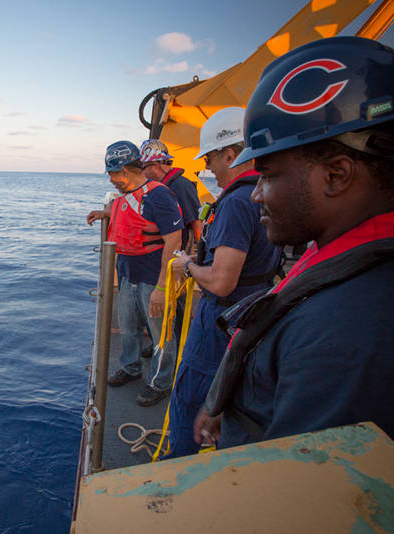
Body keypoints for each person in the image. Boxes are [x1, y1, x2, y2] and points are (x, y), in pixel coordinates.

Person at [194, 36, 394, 463]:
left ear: (337, 175)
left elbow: (303, 498)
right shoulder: (362, 257)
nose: (256, 195)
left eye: (267, 175)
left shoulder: (355, 340)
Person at [162, 107, 282, 458]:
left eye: (211, 159)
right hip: (249, 318)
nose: (209, 169)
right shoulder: (263, 194)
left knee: (191, 401)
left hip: (220, 324)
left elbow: (221, 281)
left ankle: (175, 470)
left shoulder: (233, 205)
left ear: (231, 154)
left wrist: (186, 265)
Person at [86, 140, 183, 406]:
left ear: (128, 169)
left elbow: (174, 242)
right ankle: (130, 367)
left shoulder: (159, 195)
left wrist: (163, 288)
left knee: (161, 334)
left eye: (114, 174)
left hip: (153, 277)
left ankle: (160, 382)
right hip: (128, 274)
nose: (112, 180)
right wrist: (103, 212)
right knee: (129, 328)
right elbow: (125, 208)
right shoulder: (123, 197)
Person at [138, 139, 202, 253]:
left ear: (157, 165)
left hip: (177, 255)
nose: (141, 173)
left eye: (143, 168)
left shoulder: (181, 186)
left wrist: (203, 256)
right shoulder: (156, 187)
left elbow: (196, 223)